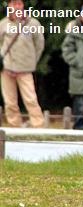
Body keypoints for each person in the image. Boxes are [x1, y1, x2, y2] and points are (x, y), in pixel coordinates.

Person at [0, 0, 45, 128]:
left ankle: (38, 126)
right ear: (9, 6)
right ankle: (14, 126)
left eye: (19, 4)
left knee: (31, 99)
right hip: (7, 67)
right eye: (14, 4)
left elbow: (39, 45)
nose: (17, 7)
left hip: (25, 68)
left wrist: (32, 61)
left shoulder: (33, 23)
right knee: (10, 102)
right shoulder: (3, 24)